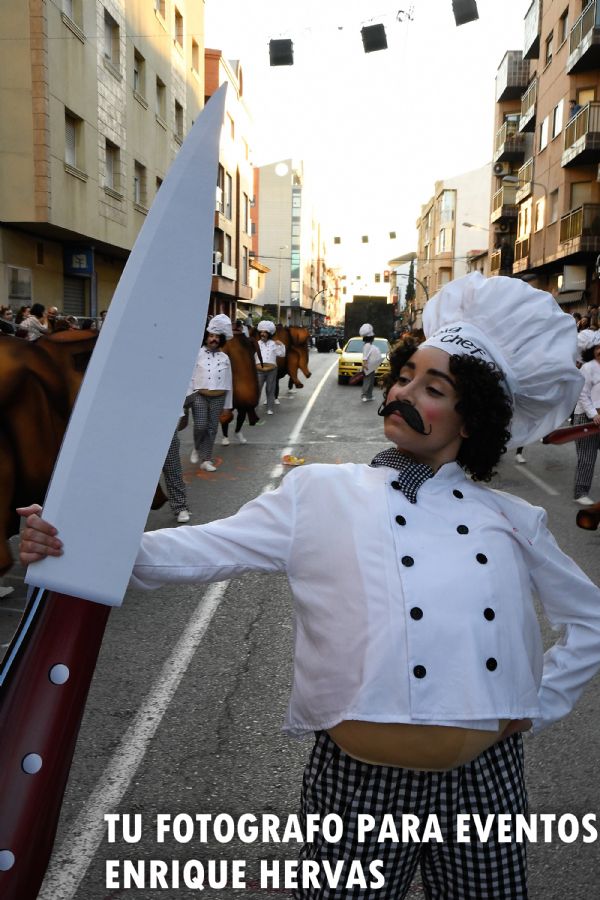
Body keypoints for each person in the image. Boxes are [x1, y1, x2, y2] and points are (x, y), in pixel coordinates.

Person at [18, 273, 600, 900]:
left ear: (474, 417)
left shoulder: (514, 519)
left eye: (434, 388)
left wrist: (537, 708)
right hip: (357, 785)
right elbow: (185, 554)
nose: (404, 392)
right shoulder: (320, 493)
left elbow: (589, 622)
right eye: (405, 377)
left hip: (485, 786)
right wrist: (70, 539)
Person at [188, 313, 233, 471]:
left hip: (219, 397)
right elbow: (190, 377)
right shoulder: (197, 354)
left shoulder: (225, 357)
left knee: (212, 428)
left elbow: (229, 383)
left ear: (221, 339)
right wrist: (188, 397)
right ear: (206, 337)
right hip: (200, 395)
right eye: (211, 336)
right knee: (200, 426)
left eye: (217, 336)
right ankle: (196, 447)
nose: (214, 339)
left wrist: (228, 406)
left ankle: (206, 459)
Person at [572, 343, 600, 505]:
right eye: (598, 349)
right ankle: (580, 492)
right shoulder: (588, 368)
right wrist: (593, 414)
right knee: (587, 457)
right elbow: (582, 394)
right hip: (586, 417)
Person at [254, 320, 285, 414]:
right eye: (261, 332)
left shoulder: (273, 343)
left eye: (265, 332)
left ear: (269, 333)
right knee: (257, 389)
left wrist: (282, 345)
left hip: (272, 370)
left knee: (270, 389)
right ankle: (254, 407)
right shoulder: (256, 344)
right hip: (259, 371)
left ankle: (270, 408)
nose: (262, 334)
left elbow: (282, 354)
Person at [359, 322, 382, 402]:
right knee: (367, 381)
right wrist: (365, 365)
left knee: (371, 382)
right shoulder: (367, 346)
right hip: (368, 366)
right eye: (373, 337)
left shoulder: (369, 345)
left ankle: (369, 395)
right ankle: (364, 395)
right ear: (371, 338)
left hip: (371, 366)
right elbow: (365, 357)